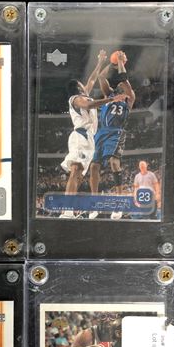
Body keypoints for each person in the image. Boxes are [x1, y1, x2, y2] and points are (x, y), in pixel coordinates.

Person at [59, 50, 128, 219]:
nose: (85, 85)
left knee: (78, 175)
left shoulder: (84, 95)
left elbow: (92, 79)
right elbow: (89, 106)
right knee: (75, 170)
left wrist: (101, 61)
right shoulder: (76, 98)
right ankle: (67, 210)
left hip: (90, 139)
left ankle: (69, 210)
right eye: (81, 85)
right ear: (78, 87)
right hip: (81, 136)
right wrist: (111, 99)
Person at [89, 51, 136, 220]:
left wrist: (120, 62)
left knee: (114, 163)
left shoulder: (129, 98)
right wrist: (110, 63)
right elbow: (101, 77)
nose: (120, 87)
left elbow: (123, 79)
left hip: (117, 131)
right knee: (94, 166)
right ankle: (94, 203)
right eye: (119, 86)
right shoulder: (109, 95)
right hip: (102, 131)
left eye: (123, 86)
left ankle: (119, 203)